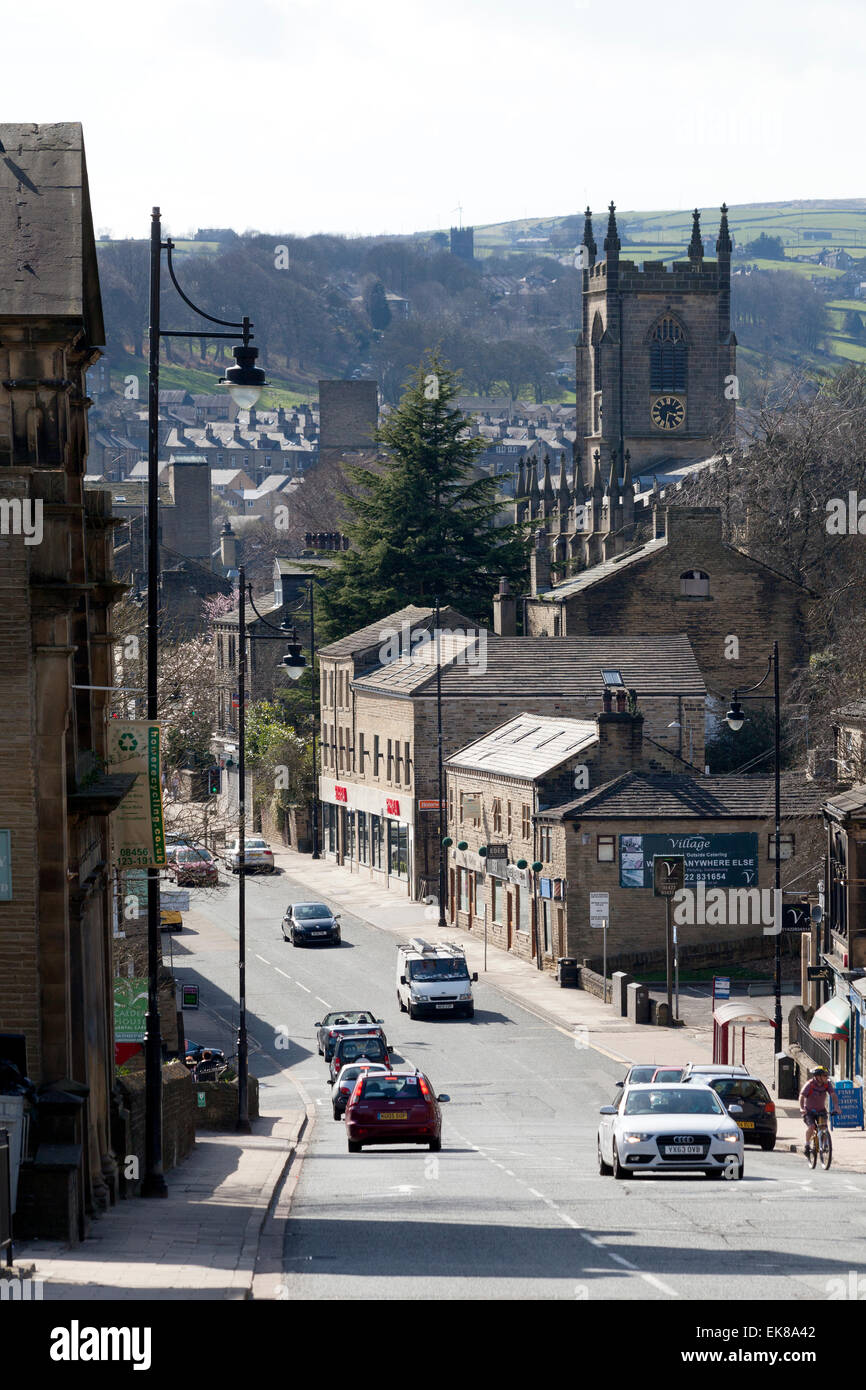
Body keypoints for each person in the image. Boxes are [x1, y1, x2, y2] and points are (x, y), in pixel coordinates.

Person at [799, 1065, 840, 1146]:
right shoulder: (810, 1084)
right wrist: (802, 1108)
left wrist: (836, 1107)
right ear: (818, 1076)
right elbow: (802, 1096)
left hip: (821, 1111)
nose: (826, 1077)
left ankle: (824, 1146)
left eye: (826, 1075)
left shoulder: (827, 1084)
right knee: (812, 1127)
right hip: (809, 1111)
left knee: (824, 1127)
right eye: (824, 1075)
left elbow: (833, 1095)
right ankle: (807, 1145)